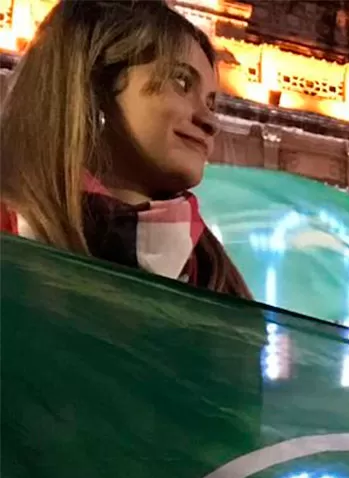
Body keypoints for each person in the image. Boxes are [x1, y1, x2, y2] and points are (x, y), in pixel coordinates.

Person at [0, 0, 250, 297]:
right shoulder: (11, 236)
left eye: (211, 102)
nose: (210, 121)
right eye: (181, 82)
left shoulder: (217, 282)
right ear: (95, 86)